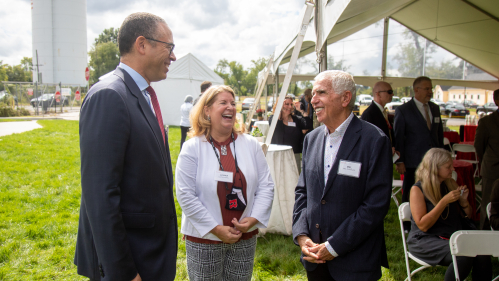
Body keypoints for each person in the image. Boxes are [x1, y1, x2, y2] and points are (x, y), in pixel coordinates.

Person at [75, 12, 178, 281]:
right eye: (169, 47)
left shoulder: (143, 94)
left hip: (150, 254)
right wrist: (123, 272)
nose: (174, 56)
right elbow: (100, 196)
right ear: (142, 44)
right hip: (130, 261)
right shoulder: (109, 95)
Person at [293, 70, 392, 281]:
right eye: (314, 93)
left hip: (355, 263)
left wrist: (334, 246)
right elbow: (303, 192)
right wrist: (302, 236)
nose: (313, 99)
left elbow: (376, 205)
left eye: (321, 92)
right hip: (315, 261)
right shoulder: (312, 139)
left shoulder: (374, 140)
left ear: (345, 98)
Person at [176, 85, 274, 281]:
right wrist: (216, 229)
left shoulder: (251, 145)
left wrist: (253, 219)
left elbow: (266, 186)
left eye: (233, 103)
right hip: (205, 238)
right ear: (207, 110)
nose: (230, 107)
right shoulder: (192, 148)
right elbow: (185, 195)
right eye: (223, 103)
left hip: (244, 236)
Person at [407, 148, 491, 281]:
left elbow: (468, 216)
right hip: (425, 240)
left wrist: (464, 203)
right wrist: (444, 201)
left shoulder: (450, 183)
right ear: (435, 168)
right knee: (463, 254)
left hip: (450, 235)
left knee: (482, 252)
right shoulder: (417, 190)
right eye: (448, 166)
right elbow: (423, 225)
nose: (452, 169)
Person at [394, 76, 444, 209]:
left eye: (431, 88)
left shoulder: (434, 108)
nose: (430, 91)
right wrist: (399, 161)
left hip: (433, 161)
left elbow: (439, 134)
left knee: (432, 192)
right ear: (416, 90)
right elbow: (398, 136)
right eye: (427, 88)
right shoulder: (403, 110)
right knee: (411, 192)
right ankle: (408, 223)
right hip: (413, 161)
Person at [474, 89, 499, 229]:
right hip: (492, 170)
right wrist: (489, 161)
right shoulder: (487, 122)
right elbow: (479, 146)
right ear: (496, 101)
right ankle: (483, 237)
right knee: (488, 204)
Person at [269, 94, 307, 174]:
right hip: (278, 155)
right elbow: (275, 123)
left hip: (294, 155)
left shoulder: (296, 119)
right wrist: (280, 107)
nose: (290, 107)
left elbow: (307, 126)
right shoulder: (273, 118)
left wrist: (302, 111)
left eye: (291, 104)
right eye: (287, 104)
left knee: (294, 180)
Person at [361, 81, 397, 155]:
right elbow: (367, 141)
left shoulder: (383, 111)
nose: (392, 94)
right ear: (378, 94)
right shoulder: (369, 113)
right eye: (389, 92)